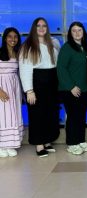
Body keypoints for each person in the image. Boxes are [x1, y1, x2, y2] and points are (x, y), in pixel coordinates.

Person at [19, 17, 60, 157]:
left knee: (50, 113)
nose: (41, 28)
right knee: (37, 114)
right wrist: (29, 90)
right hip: (37, 83)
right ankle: (39, 144)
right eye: (38, 26)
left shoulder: (53, 43)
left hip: (52, 82)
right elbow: (25, 70)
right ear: (34, 28)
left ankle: (47, 141)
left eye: (44, 26)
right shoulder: (28, 46)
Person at [57, 21, 87, 155]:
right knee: (72, 116)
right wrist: (71, 86)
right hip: (70, 90)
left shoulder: (85, 47)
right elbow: (61, 68)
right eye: (74, 30)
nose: (77, 33)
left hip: (84, 89)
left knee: (81, 116)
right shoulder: (67, 47)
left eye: (79, 30)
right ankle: (72, 143)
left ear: (83, 32)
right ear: (70, 34)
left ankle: (80, 140)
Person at [0, 27, 23, 158]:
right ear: (4, 38)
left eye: (15, 37)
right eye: (10, 36)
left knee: (13, 114)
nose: (13, 39)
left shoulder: (18, 53)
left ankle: (10, 144)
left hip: (14, 87)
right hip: (2, 87)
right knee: (2, 116)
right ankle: (2, 145)